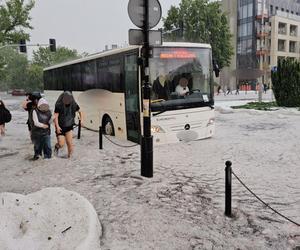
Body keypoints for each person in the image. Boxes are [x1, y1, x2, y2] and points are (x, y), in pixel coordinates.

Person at [54, 91, 82, 158]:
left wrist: (81, 120)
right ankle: (56, 147)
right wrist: (57, 127)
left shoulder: (74, 104)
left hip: (69, 126)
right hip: (60, 127)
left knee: (70, 143)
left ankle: (70, 159)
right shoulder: (58, 105)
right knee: (61, 144)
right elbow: (55, 117)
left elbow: (80, 111)